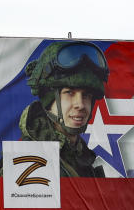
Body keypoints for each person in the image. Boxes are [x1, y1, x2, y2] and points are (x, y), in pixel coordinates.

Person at [16, 40, 109, 177]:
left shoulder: (83, 160)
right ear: (49, 99)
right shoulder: (28, 162)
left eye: (86, 95)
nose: (81, 105)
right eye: (69, 93)